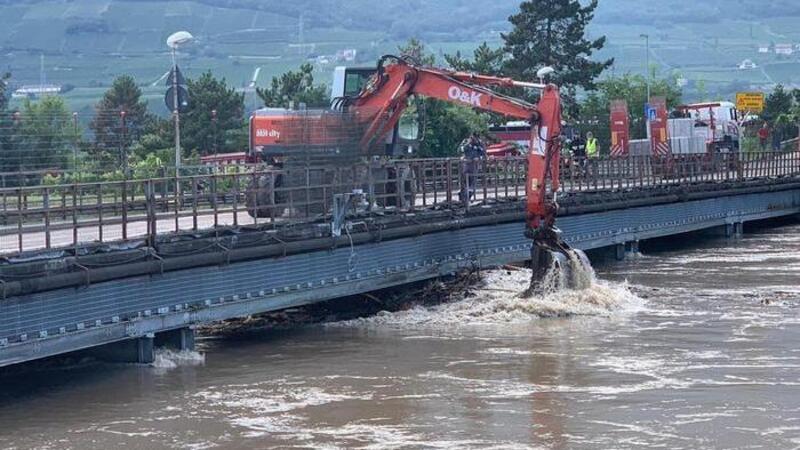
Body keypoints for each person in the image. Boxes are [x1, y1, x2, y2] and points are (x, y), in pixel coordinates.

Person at [459, 132, 486, 203]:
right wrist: (468, 144)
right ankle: (462, 197)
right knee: (463, 181)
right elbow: (460, 150)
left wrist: (478, 158)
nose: (474, 139)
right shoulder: (465, 142)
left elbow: (484, 154)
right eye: (473, 137)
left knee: (472, 182)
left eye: (476, 138)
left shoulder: (480, 143)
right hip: (465, 164)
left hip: (474, 165)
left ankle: (468, 197)